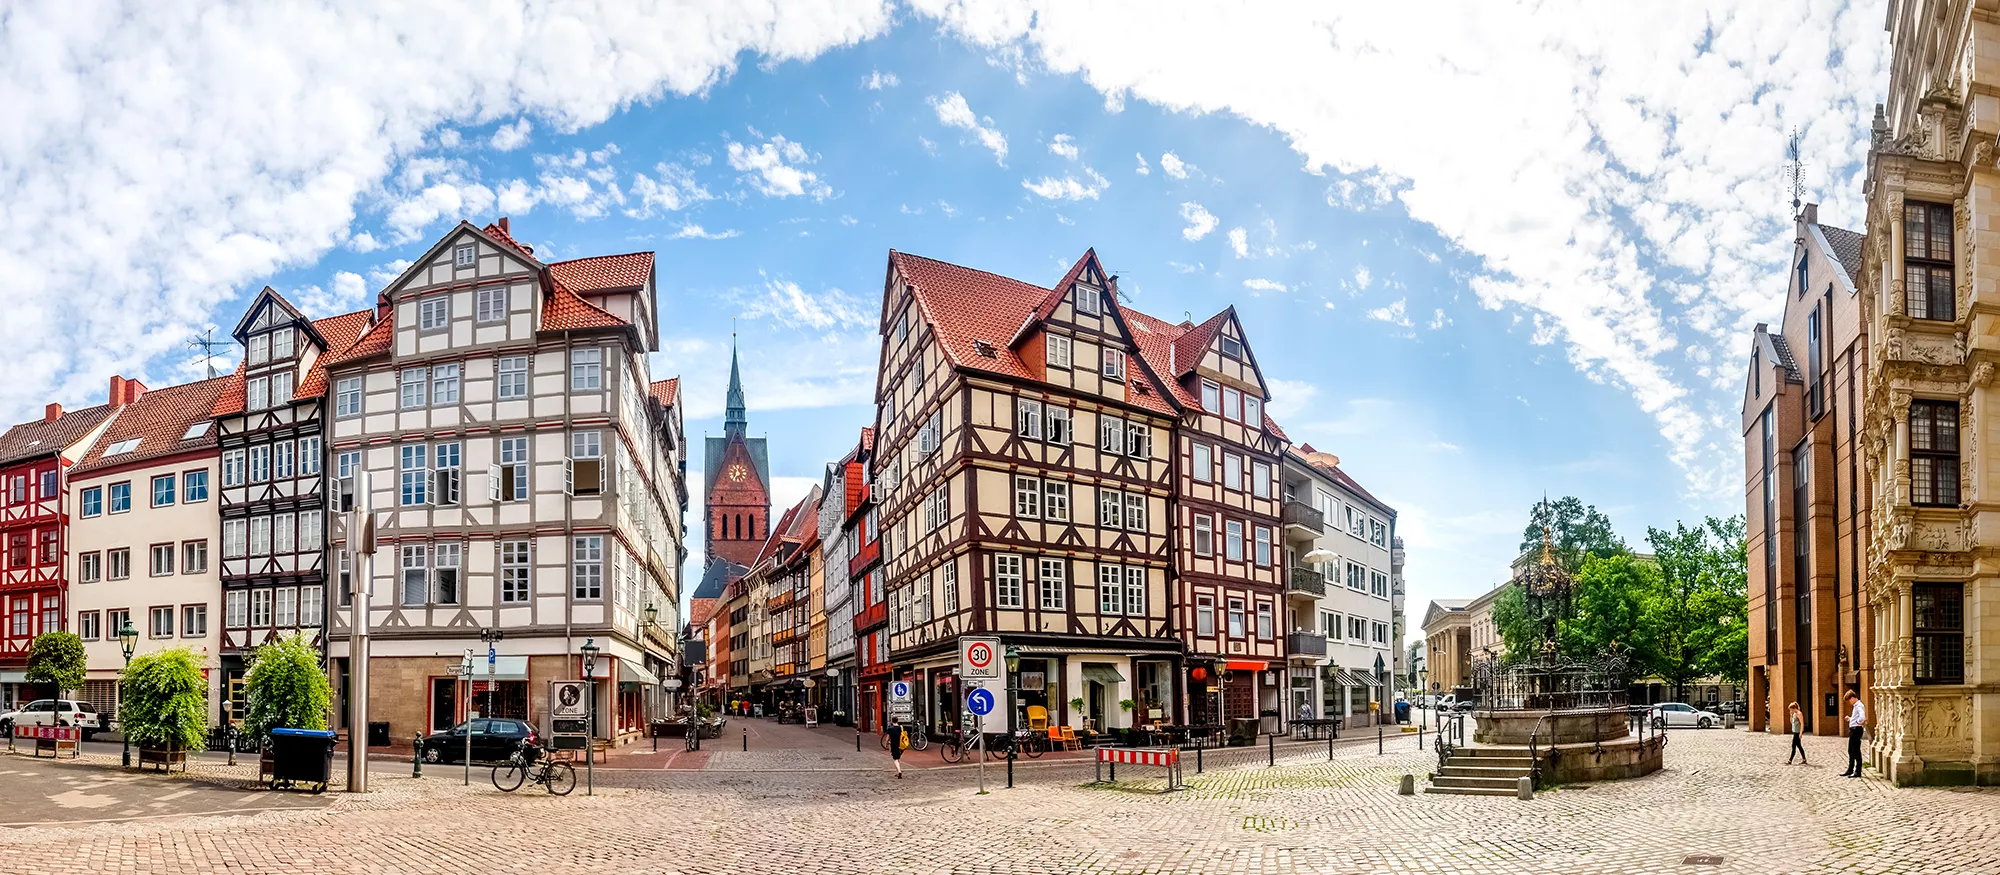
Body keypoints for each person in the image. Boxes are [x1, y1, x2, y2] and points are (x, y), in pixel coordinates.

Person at [1842, 690, 1866, 778]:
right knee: (1851, 750)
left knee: (1856, 751)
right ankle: (1850, 769)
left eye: (1849, 700)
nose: (1849, 702)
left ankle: (1858, 771)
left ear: (1852, 698)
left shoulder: (1859, 705)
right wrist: (1851, 719)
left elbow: (1862, 717)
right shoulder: (1856, 706)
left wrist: (1856, 722)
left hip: (1856, 730)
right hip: (1854, 729)